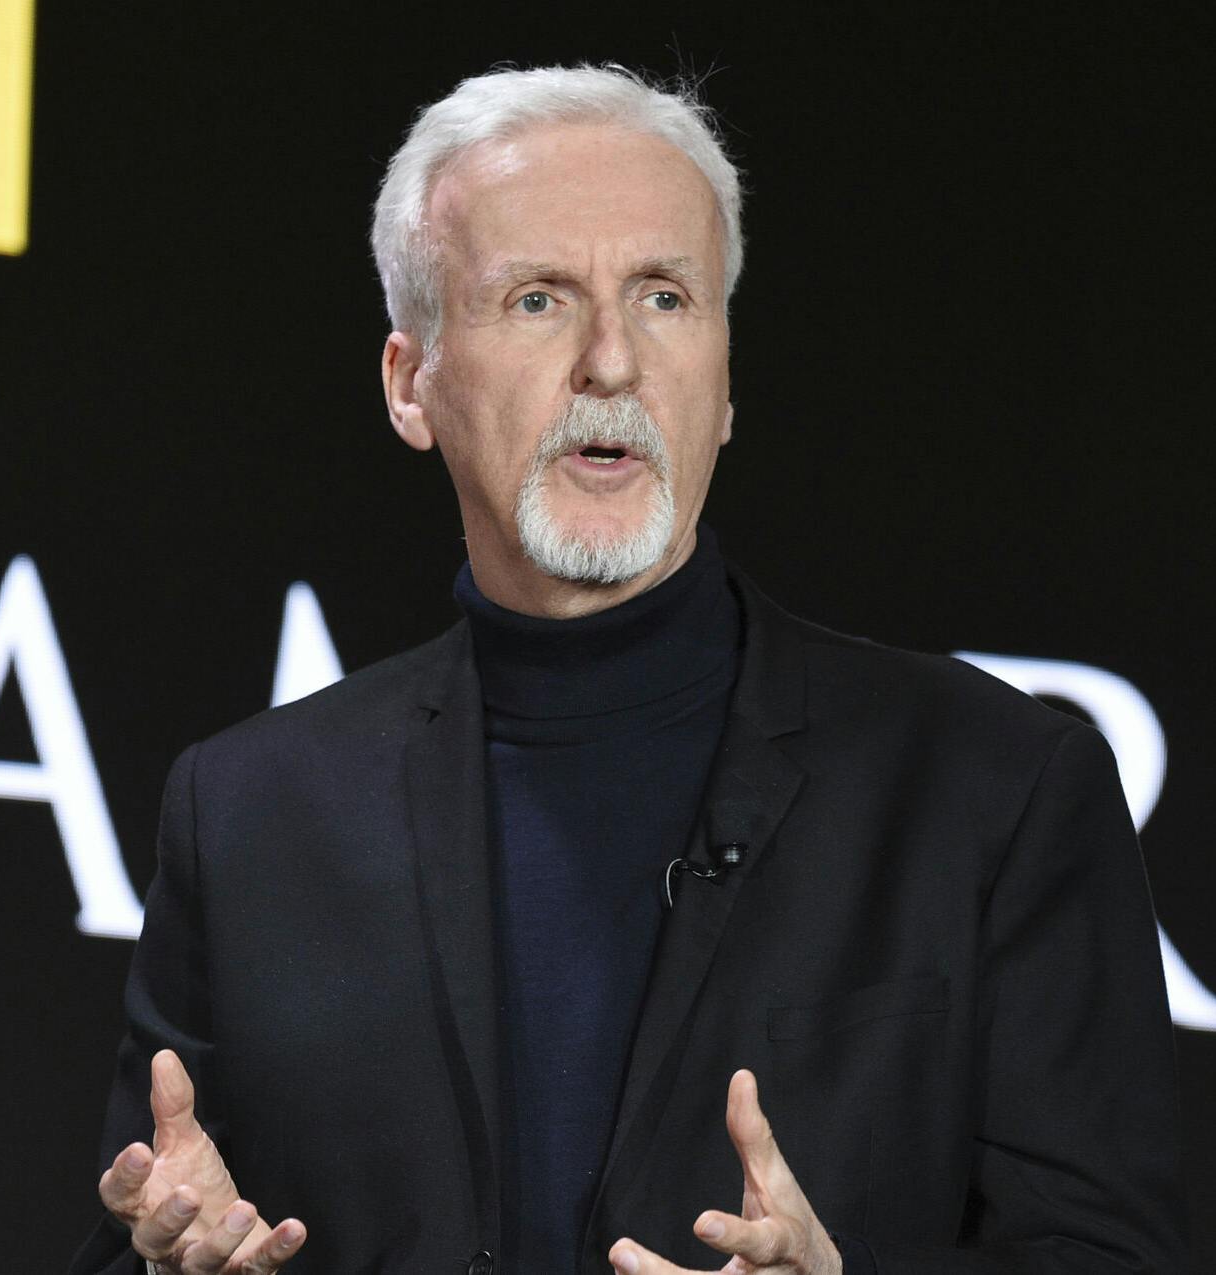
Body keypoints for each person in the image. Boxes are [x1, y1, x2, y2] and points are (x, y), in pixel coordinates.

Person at [71, 65, 1188, 1275]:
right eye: (540, 299)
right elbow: (156, 1222)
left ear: (723, 382)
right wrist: (172, 1261)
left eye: (664, 297)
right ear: (412, 384)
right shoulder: (250, 816)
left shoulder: (997, 790)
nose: (612, 361)